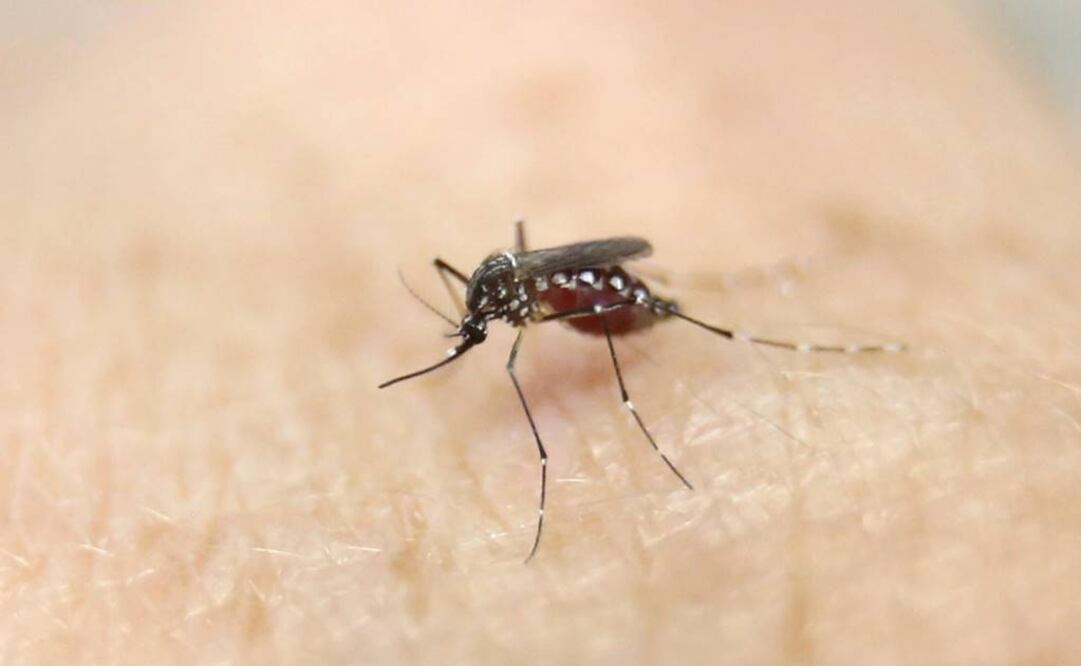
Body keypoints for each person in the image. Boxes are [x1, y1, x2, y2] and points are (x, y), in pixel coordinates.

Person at [3, 3, 1078, 663]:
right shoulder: (493, 296)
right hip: (553, 284)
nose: (476, 333)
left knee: (589, 323)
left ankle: (737, 337)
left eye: (473, 322)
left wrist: (582, 331)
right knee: (532, 314)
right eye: (469, 323)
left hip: (597, 285)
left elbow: (533, 301)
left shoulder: (523, 306)